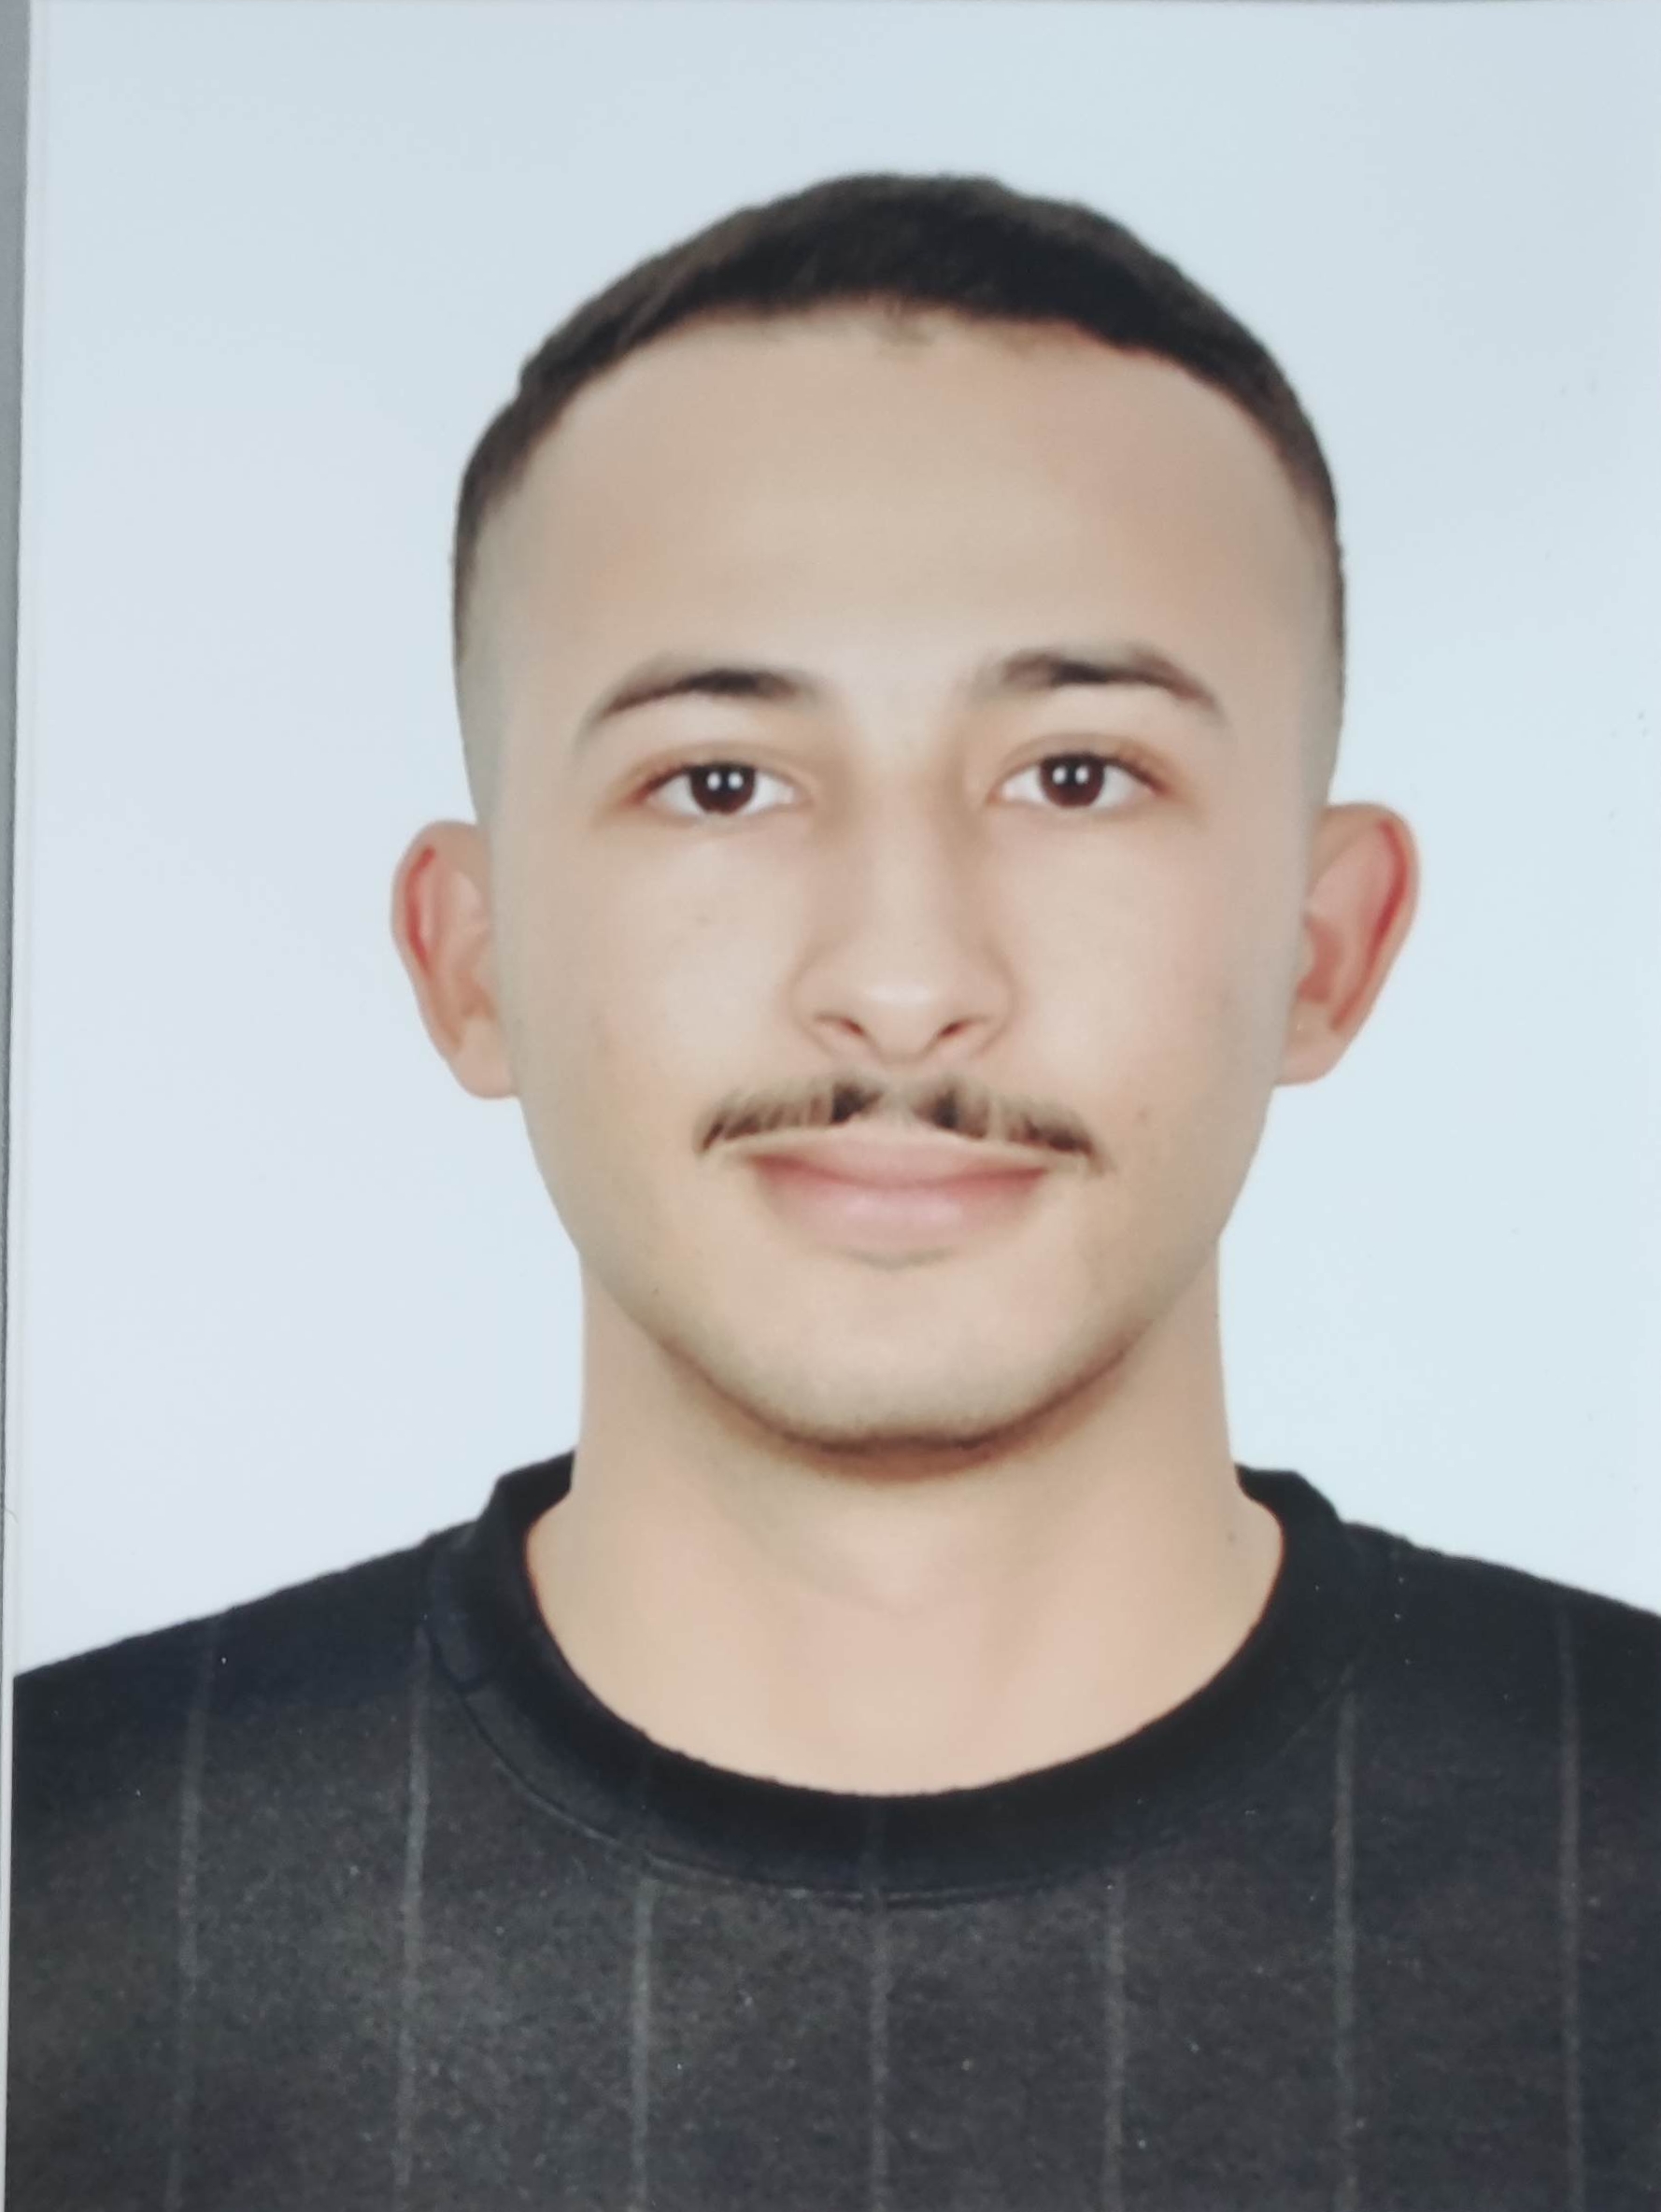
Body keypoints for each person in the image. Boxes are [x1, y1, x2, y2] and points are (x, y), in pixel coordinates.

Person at [7, 171, 1657, 2212]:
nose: (899, 975)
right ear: (471, 957)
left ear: (1324, 945)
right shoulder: (41, 1888)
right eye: (720, 782)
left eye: (1075, 774)